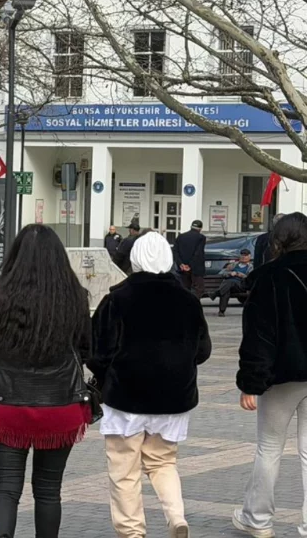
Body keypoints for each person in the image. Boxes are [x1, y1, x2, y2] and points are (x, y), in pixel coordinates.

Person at [0, 224, 92, 538]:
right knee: (49, 490)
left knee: (6, 488)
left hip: (6, 404)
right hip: (60, 405)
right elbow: (89, 349)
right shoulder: (75, 296)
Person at [89, 230, 210, 538]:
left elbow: (98, 352)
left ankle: (132, 532)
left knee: (124, 470)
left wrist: (102, 376)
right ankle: (176, 516)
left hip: (126, 397)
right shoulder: (188, 301)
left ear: (135, 259)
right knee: (163, 463)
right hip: (173, 398)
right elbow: (202, 350)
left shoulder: (117, 298)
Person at [234, 212, 307, 538]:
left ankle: (258, 520)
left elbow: (259, 335)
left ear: (278, 240)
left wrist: (251, 382)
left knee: (269, 447)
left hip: (282, 376)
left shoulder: (269, 277)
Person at [216, 249, 254, 317]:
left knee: (230, 282)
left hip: (241, 285)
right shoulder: (233, 265)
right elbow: (221, 273)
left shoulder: (251, 267)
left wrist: (242, 275)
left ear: (249, 257)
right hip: (230, 286)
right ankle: (221, 311)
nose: (243, 257)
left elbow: (251, 278)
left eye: (246, 255)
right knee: (226, 290)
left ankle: (216, 293)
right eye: (242, 255)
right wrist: (230, 273)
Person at [173, 220, 207, 297]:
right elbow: (198, 253)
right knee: (199, 288)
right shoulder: (201, 238)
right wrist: (189, 265)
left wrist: (181, 264)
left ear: (191, 226)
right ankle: (194, 305)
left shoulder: (181, 236)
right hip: (196, 268)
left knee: (185, 288)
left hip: (182, 269)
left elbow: (175, 252)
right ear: (200, 228)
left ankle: (185, 306)